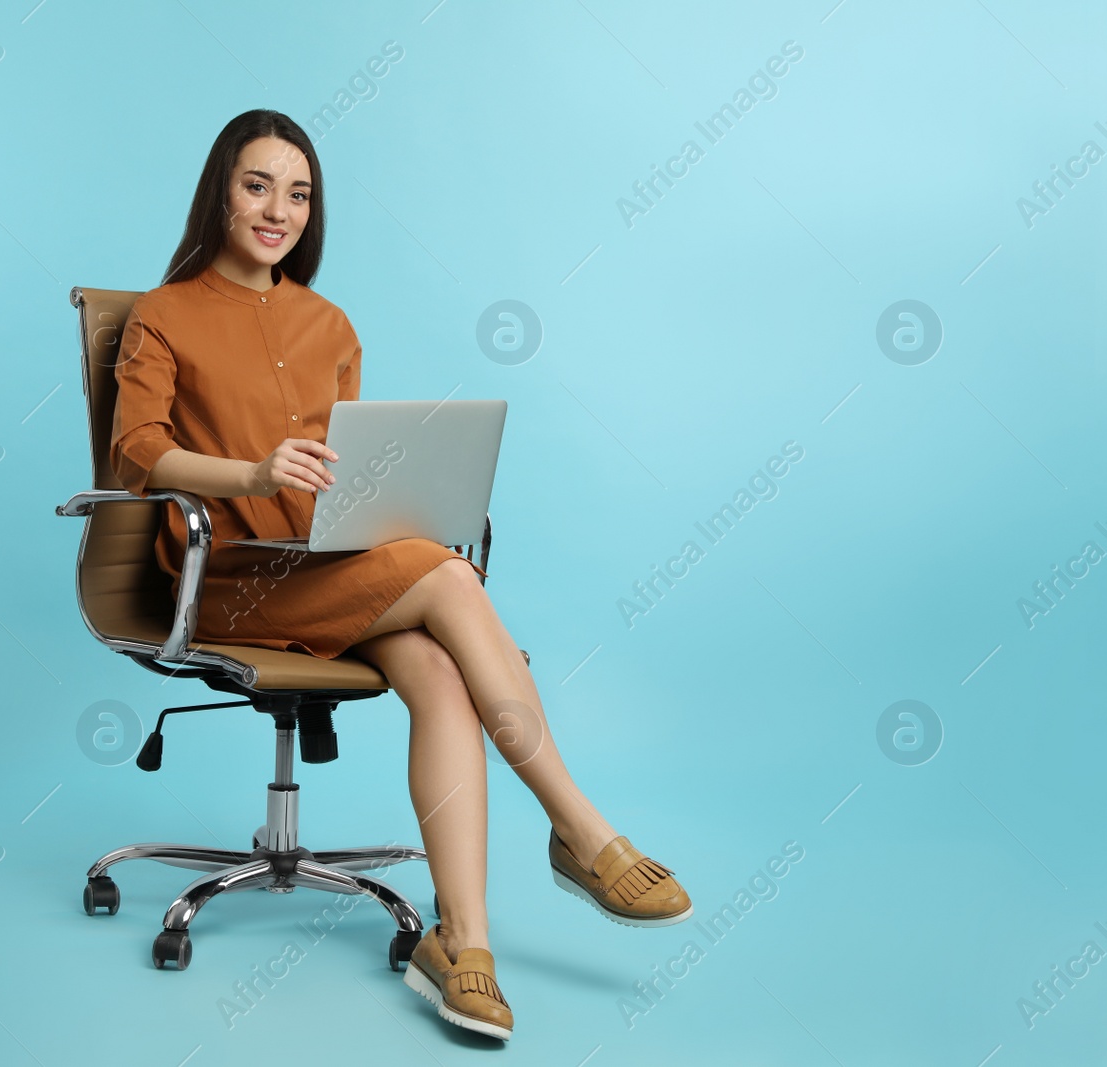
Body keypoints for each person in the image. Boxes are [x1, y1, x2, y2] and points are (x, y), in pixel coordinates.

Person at [108, 109, 691, 1041]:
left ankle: (463, 947)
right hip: (230, 580)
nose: (278, 210)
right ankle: (582, 831)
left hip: (329, 569)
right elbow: (139, 452)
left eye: (298, 194)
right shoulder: (162, 314)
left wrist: (394, 491)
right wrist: (251, 476)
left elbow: (348, 468)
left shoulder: (329, 321)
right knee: (450, 579)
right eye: (258, 185)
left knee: (440, 668)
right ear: (220, 189)